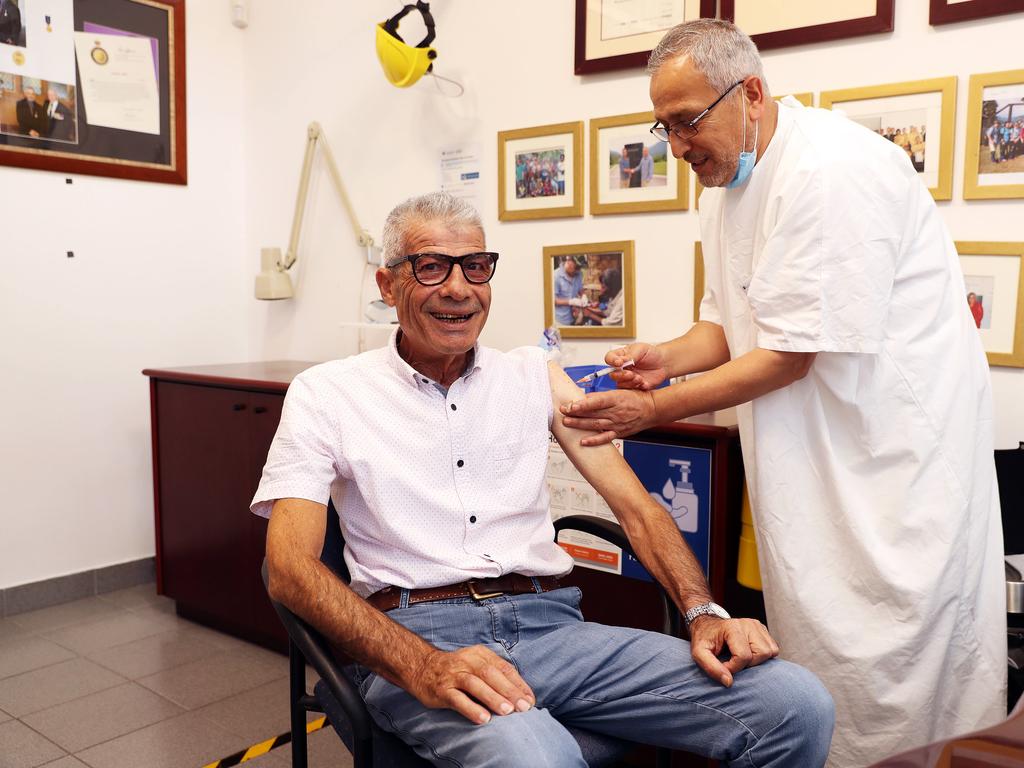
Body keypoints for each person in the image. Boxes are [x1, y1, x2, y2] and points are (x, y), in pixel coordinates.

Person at [560, 19, 1005, 768]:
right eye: (663, 126)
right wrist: (661, 360)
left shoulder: (829, 170)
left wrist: (654, 407)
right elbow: (727, 326)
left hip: (893, 475)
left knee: (900, 674)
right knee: (825, 660)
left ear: (753, 93)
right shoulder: (729, 182)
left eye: (687, 122)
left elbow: (791, 356)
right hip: (818, 470)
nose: (676, 147)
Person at [255, 191, 834, 768]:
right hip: (420, 633)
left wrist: (702, 611)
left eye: (475, 267)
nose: (458, 289)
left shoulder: (535, 376)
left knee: (796, 705)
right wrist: (422, 665)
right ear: (388, 285)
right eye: (431, 267)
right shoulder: (327, 393)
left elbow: (639, 510)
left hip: (554, 627)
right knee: (539, 759)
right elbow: (289, 567)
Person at [552, 255, 583, 325]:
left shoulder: (578, 273)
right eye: (574, 268)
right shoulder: (555, 276)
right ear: (568, 261)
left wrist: (583, 296)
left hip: (573, 317)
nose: (576, 272)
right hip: (560, 320)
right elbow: (553, 300)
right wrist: (570, 302)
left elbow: (580, 288)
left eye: (578, 269)